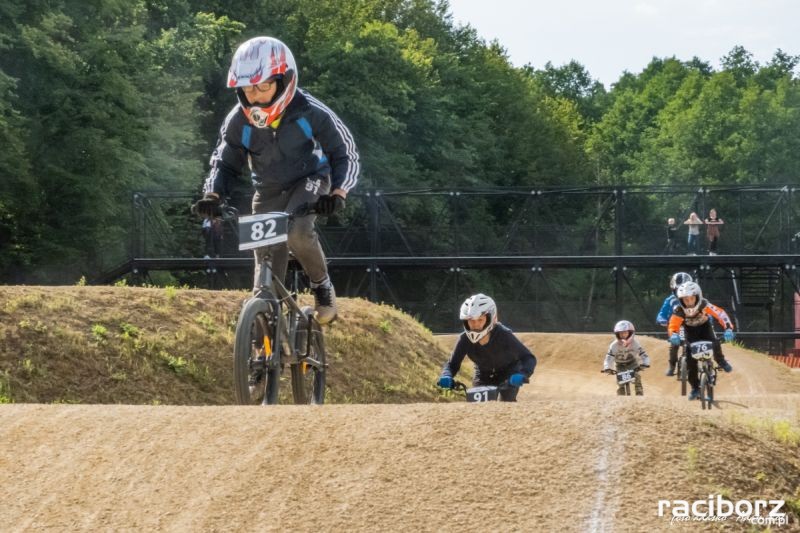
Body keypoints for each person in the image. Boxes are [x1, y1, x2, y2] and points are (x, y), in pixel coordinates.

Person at [193, 36, 360, 324]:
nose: (255, 96)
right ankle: (264, 332)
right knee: (265, 265)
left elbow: (344, 152)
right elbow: (224, 161)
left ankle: (322, 286)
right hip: (267, 190)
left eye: (264, 86)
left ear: (285, 80)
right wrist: (213, 196)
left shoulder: (310, 111)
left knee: (296, 232)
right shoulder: (238, 120)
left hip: (309, 181)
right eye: (248, 88)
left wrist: (338, 193)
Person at [436, 294, 537, 402]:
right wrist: (446, 376)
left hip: (508, 373)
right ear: (465, 321)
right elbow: (452, 364)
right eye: (471, 321)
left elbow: (529, 358)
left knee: (506, 401)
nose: (475, 325)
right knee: (477, 406)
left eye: (480, 320)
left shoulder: (504, 335)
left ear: (490, 318)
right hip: (483, 374)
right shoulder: (464, 339)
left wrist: (522, 374)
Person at [668, 281, 734, 401]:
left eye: (691, 299)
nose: (688, 302)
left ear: (698, 297)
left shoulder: (704, 304)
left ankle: (721, 361)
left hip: (705, 329)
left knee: (715, 342)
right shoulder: (679, 310)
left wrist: (728, 328)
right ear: (681, 300)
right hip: (690, 333)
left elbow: (720, 314)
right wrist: (674, 334)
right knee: (690, 362)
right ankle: (695, 387)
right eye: (685, 300)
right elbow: (673, 324)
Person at [656, 272, 693, 376]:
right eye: (679, 289)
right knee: (674, 345)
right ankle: (672, 367)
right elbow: (661, 313)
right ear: (673, 289)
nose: (682, 292)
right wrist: (662, 320)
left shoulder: (695, 298)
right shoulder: (670, 300)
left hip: (691, 324)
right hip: (676, 326)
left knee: (696, 343)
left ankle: (702, 364)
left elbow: (705, 309)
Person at [602, 320, 650, 395]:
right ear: (617, 334)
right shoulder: (614, 345)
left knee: (637, 377)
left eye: (625, 332)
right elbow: (609, 358)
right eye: (621, 333)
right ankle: (621, 399)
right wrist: (607, 367)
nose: (623, 335)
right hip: (619, 365)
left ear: (630, 333)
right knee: (620, 384)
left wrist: (646, 363)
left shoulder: (635, 343)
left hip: (632, 363)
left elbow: (643, 354)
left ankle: (640, 395)